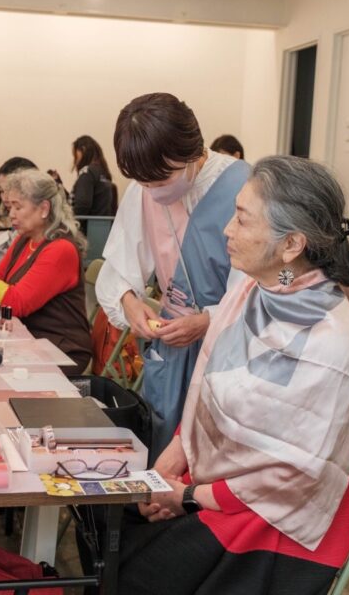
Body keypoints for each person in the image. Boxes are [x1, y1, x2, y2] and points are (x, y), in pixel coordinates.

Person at [117, 155, 349, 595]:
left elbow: (292, 475)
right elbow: (207, 386)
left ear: (292, 244)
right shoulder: (260, 286)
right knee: (112, 522)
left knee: (134, 571)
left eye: (243, 220)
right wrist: (175, 456)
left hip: (275, 521)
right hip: (220, 484)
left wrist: (186, 497)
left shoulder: (329, 341)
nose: (227, 230)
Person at [96, 93, 249, 458]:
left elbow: (263, 290)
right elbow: (117, 270)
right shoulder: (144, 187)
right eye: (144, 183)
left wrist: (208, 321)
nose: (153, 192)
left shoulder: (243, 186)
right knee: (162, 450)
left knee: (210, 455)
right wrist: (128, 302)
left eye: (162, 179)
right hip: (171, 348)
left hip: (229, 348)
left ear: (193, 152)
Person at [0, 169, 92, 375]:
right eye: (10, 207)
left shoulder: (61, 250)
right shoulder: (24, 240)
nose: (11, 214)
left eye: (18, 207)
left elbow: (15, 304)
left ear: (43, 209)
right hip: (28, 341)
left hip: (61, 349)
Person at [71, 135, 117, 217]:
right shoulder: (103, 172)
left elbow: (82, 206)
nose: (75, 160)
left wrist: (69, 219)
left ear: (83, 150)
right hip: (102, 223)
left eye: (75, 155)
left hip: (87, 224)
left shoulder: (87, 172)